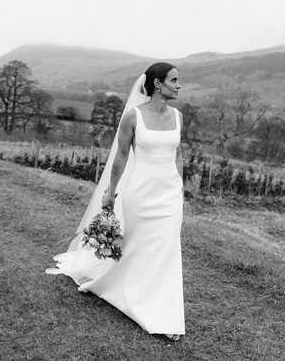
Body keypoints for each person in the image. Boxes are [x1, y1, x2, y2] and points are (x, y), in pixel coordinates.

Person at [46, 62, 185, 341]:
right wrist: (111, 191)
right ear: (158, 84)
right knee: (137, 246)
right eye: (174, 80)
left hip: (169, 194)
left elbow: (178, 154)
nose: (179, 85)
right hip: (141, 193)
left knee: (168, 249)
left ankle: (165, 314)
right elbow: (121, 156)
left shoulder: (178, 116)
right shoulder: (133, 117)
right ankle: (123, 289)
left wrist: (180, 188)